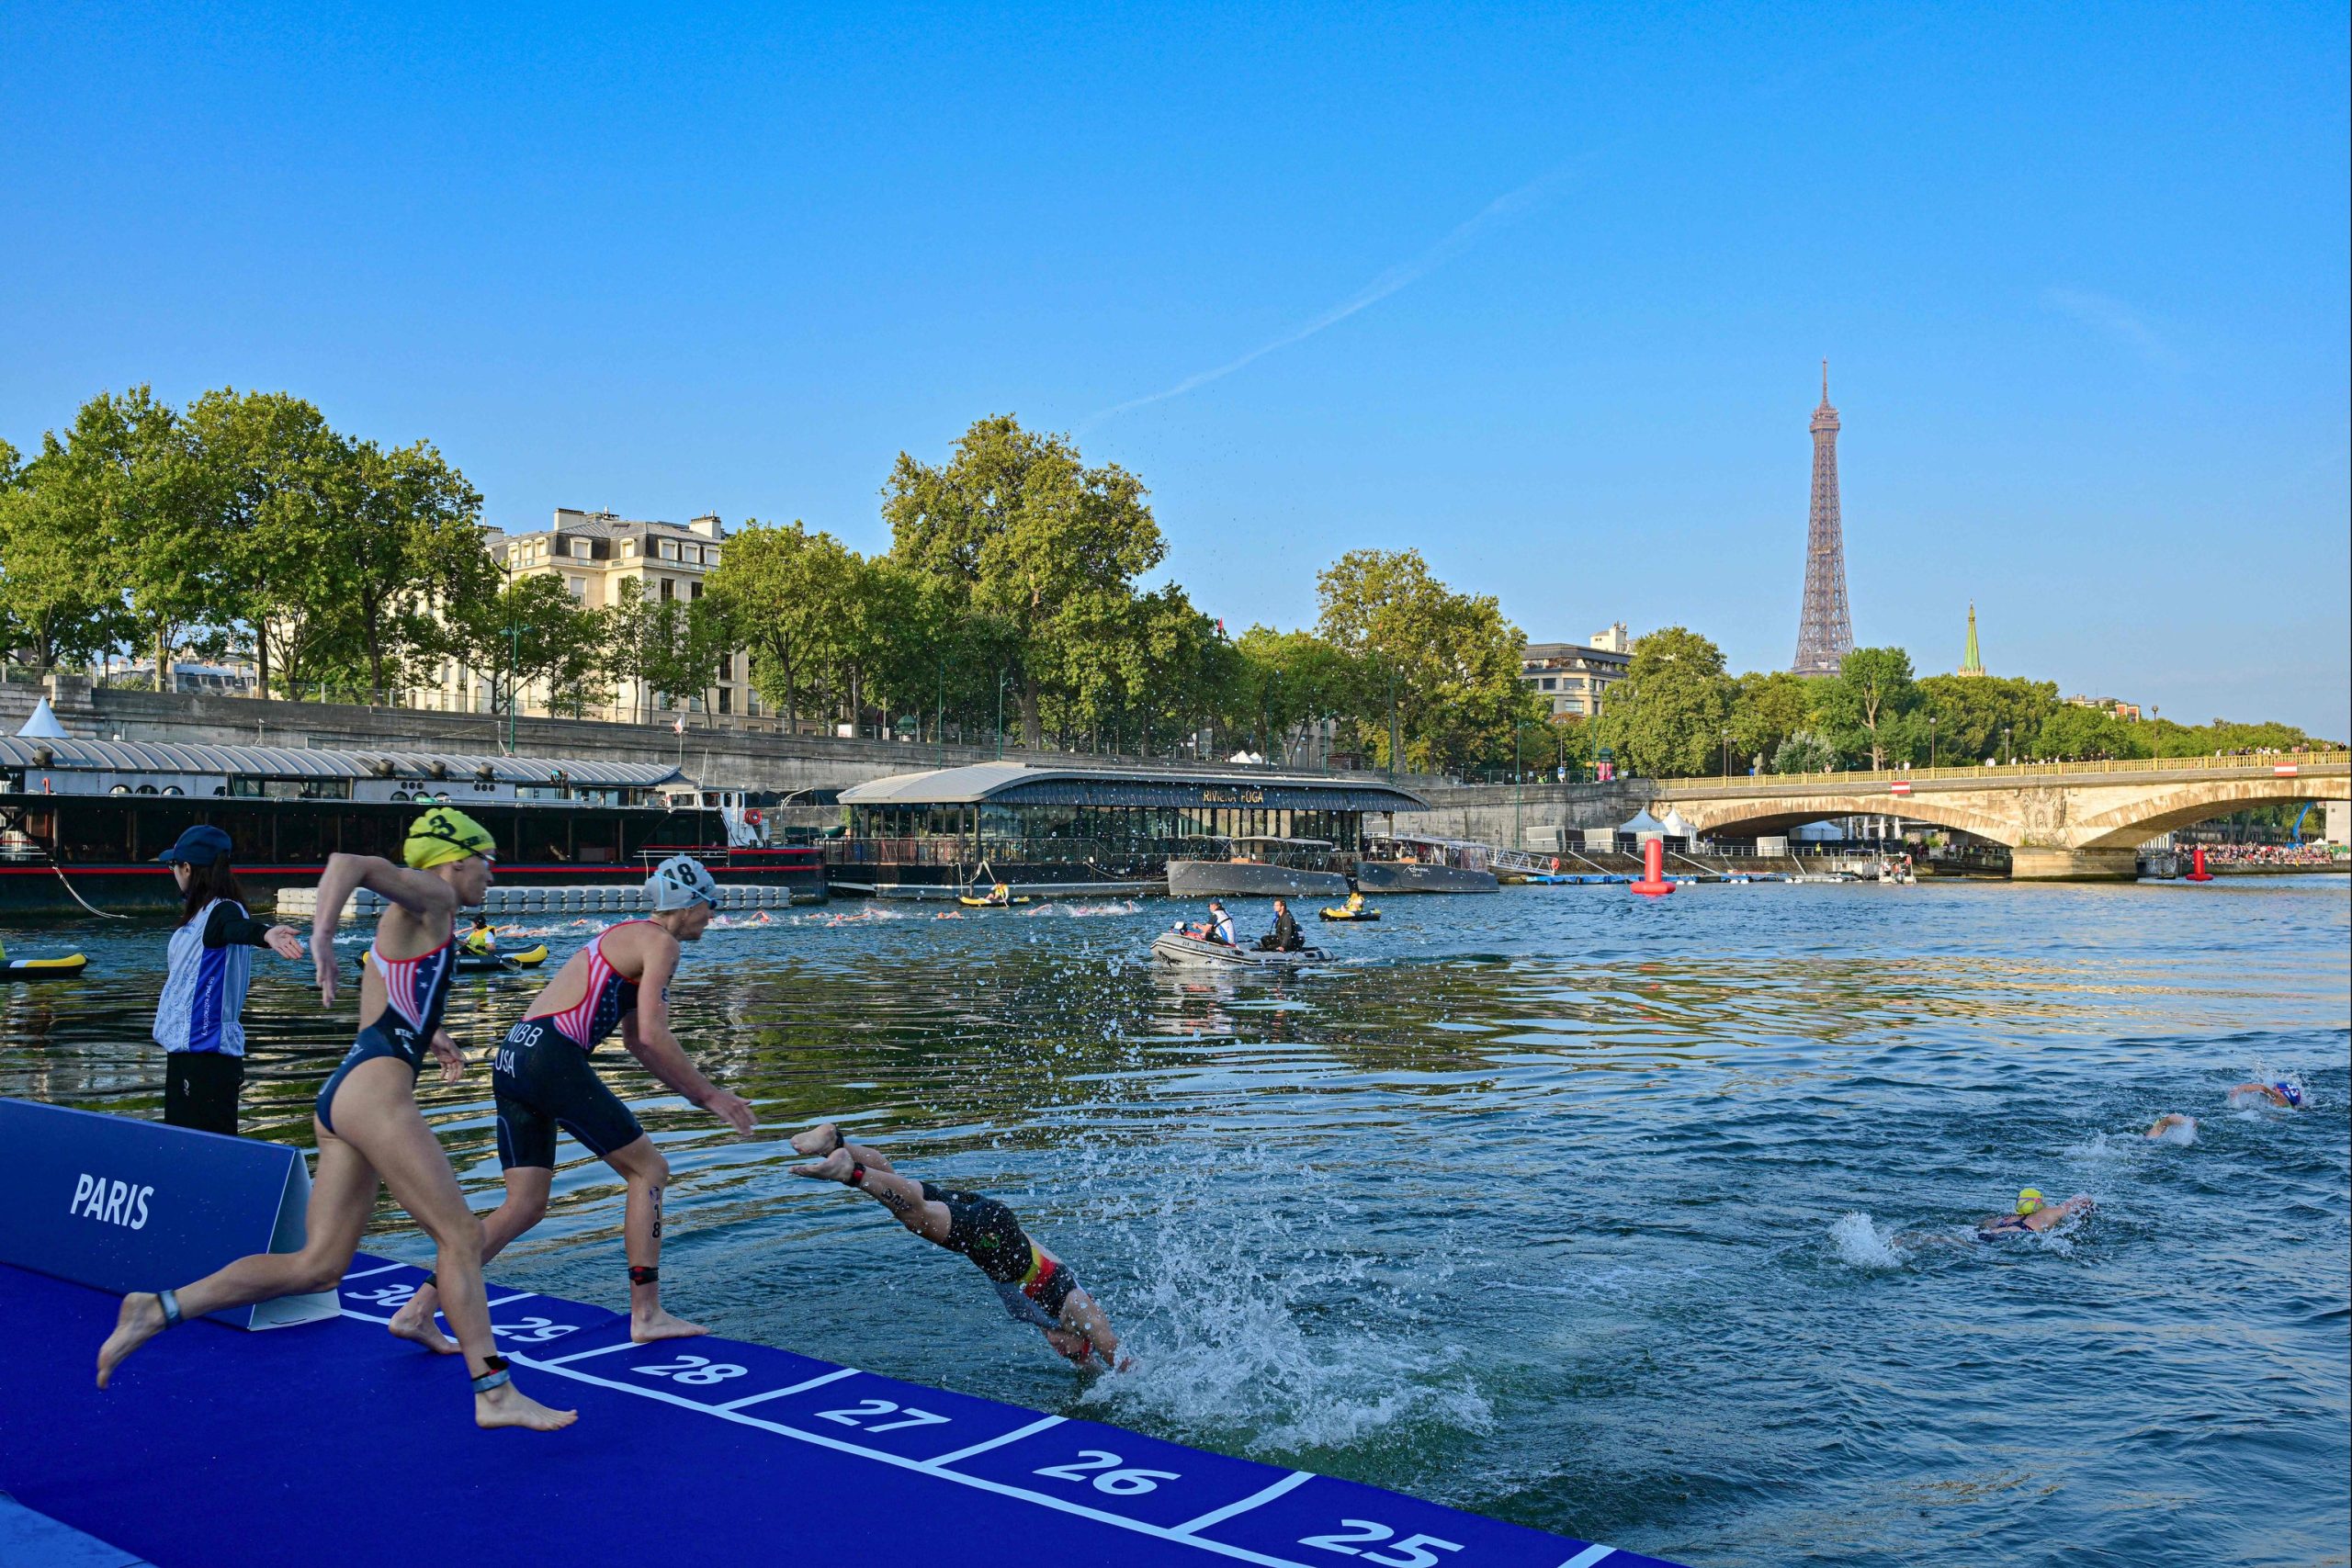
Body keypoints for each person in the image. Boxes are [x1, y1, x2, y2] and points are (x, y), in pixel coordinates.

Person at [96, 807, 576, 1432]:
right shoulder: (431, 892)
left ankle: (158, 1308)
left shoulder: (408, 918)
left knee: (317, 1265)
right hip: (376, 1096)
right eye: (487, 861)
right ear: (454, 859)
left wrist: (433, 1035)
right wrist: (321, 934)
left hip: (345, 1093)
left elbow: (386, 1002)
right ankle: (493, 1390)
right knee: (460, 1236)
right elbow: (349, 863)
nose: (492, 875)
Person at [388, 855, 755, 1347]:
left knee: (523, 1207)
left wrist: (695, 1094)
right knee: (649, 1171)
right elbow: (654, 1032)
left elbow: (637, 1043)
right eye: (709, 905)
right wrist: (710, 1093)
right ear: (688, 906)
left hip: (513, 1055)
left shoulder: (627, 936)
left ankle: (417, 1311)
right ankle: (646, 1314)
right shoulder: (661, 944)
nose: (712, 916)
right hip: (550, 1058)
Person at [789, 1124, 1123, 1369]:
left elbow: (1088, 1371)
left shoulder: (1057, 1327)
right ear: (1084, 1339)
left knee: (902, 1188)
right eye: (1074, 1351)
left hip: (989, 1224)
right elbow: (1118, 1359)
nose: (1058, 1349)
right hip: (995, 1236)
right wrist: (1122, 1367)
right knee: (916, 1218)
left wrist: (1084, 1364)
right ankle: (851, 1172)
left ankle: (833, 1143)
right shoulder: (1076, 1310)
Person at [152, 825, 305, 1136]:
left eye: (173, 866)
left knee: (206, 1149)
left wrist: (265, 934)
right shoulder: (199, 915)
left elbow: (237, 928)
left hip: (206, 1056)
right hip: (185, 1051)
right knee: (181, 1146)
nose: (172, 872)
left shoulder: (223, 911)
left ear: (187, 868)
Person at [1976, 1187, 2092, 1238]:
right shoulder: (2045, 1214)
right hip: (2014, 1237)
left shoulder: (2003, 1219)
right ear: (2040, 1202)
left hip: (1986, 1235)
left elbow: (1979, 1225)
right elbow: (2083, 1199)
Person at [2229, 1080, 2303, 1110]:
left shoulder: (2280, 1098)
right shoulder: (2292, 1107)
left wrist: (2238, 1089)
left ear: (2283, 1093)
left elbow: (2262, 1088)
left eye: (2275, 1089)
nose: (2273, 1089)